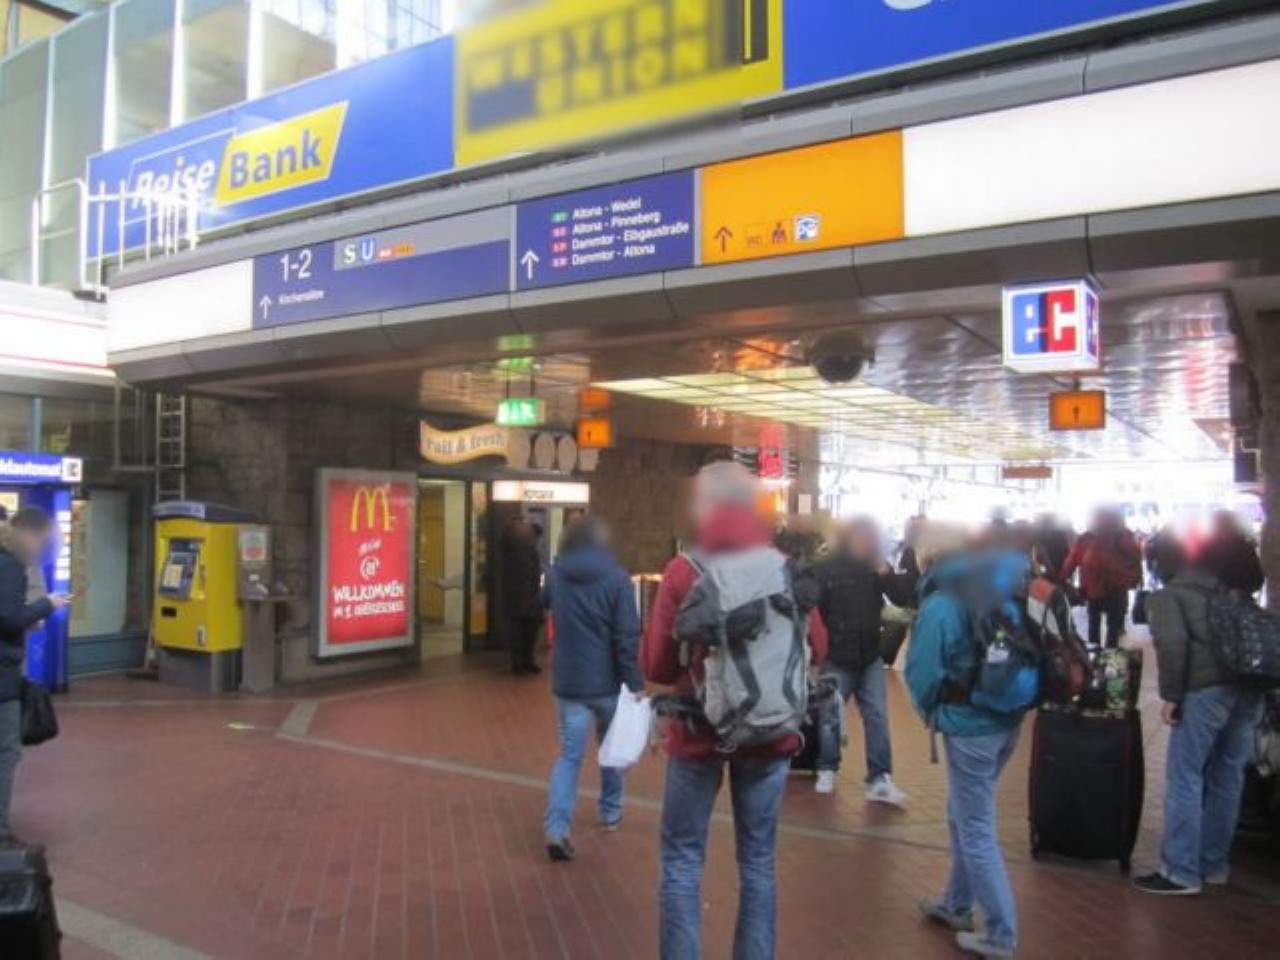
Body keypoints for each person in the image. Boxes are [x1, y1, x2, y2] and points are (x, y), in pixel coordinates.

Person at [643, 462, 794, 960]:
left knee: (683, 862)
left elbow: (659, 664)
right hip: (770, 731)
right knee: (758, 863)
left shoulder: (684, 570)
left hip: (698, 731)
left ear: (707, 508)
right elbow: (817, 643)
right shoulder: (782, 567)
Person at [905, 522, 1027, 960]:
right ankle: (956, 903)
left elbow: (922, 672)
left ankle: (1001, 934)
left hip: (970, 726)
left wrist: (929, 711)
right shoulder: (995, 587)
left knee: (975, 827)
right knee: (962, 813)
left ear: (927, 557)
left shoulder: (942, 603)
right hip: (1007, 717)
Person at [1134, 538, 1266, 895]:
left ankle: (1180, 871)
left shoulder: (1170, 597)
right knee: (1228, 776)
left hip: (1205, 691)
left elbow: (1173, 646)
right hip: (1248, 687)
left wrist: (1172, 696)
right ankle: (1213, 865)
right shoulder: (1228, 591)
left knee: (1185, 776)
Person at [542, 516, 643, 862]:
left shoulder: (558, 575)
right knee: (611, 749)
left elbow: (544, 600)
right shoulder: (617, 578)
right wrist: (634, 681)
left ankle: (556, 828)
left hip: (570, 682)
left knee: (570, 756)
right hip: (608, 683)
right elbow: (626, 636)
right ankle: (610, 811)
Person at [797, 517, 913, 799]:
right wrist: (820, 648)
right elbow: (813, 607)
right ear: (850, 537)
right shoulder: (827, 567)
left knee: (877, 716)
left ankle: (880, 776)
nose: (868, 542)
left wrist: (886, 574)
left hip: (870, 655)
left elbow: (902, 597)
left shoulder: (875, 566)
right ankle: (827, 767)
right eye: (863, 536)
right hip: (838, 655)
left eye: (871, 537)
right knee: (830, 716)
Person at [0, 507, 66, 848]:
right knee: (7, 751)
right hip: (3, 673)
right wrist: (47, 605)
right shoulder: (12, 565)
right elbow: (10, 618)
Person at [1060, 508, 1142, 650]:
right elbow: (1136, 557)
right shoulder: (1123, 535)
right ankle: (1110, 656)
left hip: (1093, 590)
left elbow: (1072, 561)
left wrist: (1060, 579)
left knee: (1093, 624)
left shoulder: (1086, 538)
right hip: (1116, 589)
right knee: (1113, 628)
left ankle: (1094, 653)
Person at [502, 517, 543, 675]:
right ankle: (519, 663)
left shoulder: (530, 551)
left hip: (529, 598)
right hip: (519, 598)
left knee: (527, 632)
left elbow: (534, 575)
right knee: (519, 633)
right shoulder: (512, 549)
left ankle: (525, 661)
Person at [1197, 510, 1265, 599]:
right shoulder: (1206, 547)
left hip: (1236, 599)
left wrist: (1241, 592)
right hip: (1213, 598)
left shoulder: (1245, 548)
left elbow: (1256, 580)